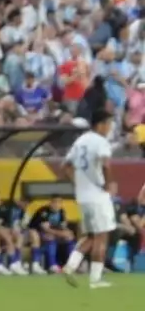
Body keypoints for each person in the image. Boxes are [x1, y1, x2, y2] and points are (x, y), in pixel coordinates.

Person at [61, 111, 116, 289]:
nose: (109, 128)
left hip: (83, 197)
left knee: (91, 235)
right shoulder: (101, 142)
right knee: (102, 236)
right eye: (108, 124)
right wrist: (108, 184)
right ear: (100, 124)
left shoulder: (80, 140)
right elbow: (105, 164)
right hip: (98, 196)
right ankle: (95, 280)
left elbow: (66, 166)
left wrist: (78, 184)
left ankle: (70, 266)